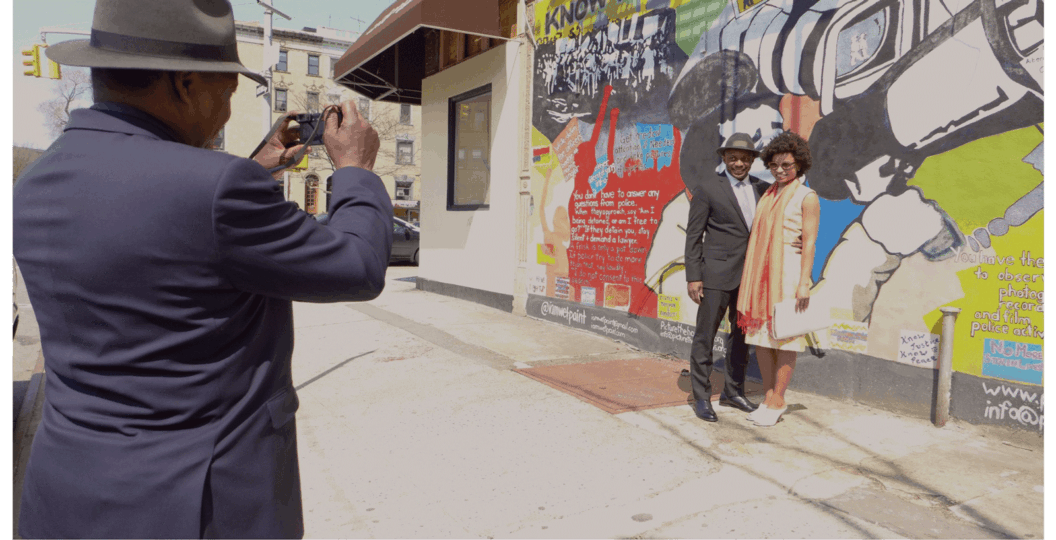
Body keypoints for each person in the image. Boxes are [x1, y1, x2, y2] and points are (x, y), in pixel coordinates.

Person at [12, 1, 392, 538]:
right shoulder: (214, 189)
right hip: (198, 508)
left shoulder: (35, 181)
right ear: (187, 84)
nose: (227, 112)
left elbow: (160, 226)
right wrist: (355, 171)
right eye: (227, 92)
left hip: (67, 497)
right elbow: (358, 266)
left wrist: (253, 167)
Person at [737, 130, 820, 427]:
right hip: (760, 275)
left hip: (787, 275)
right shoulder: (769, 194)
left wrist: (804, 282)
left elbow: (809, 241)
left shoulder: (806, 196)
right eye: (774, 165)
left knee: (785, 338)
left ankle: (779, 399)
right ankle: (768, 395)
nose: (780, 170)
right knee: (761, 337)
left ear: (799, 164)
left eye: (786, 165)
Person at [683, 132, 767, 423]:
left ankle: (733, 392)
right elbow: (694, 236)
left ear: (753, 160)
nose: (738, 163)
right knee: (705, 338)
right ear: (724, 158)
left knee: (741, 339)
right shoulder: (707, 189)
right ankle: (702, 397)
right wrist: (694, 276)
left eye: (745, 158)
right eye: (733, 158)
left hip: (749, 278)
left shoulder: (764, 189)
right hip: (715, 276)